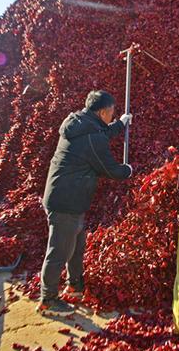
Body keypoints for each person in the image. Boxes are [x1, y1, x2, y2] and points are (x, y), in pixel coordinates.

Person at [37, 90, 133, 316]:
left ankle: (74, 287)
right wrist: (127, 171)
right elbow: (109, 168)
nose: (113, 115)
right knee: (60, 250)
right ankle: (47, 299)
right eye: (112, 113)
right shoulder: (92, 136)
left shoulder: (81, 124)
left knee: (77, 246)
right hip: (66, 201)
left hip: (68, 196)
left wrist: (119, 124)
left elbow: (101, 132)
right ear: (102, 111)